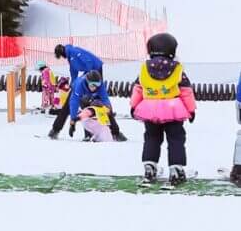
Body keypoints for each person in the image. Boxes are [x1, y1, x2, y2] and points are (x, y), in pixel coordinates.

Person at [130, 32, 196, 185]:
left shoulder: (144, 70)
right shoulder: (177, 69)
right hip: (172, 110)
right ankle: (176, 169)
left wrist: (134, 107)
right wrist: (191, 110)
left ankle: (150, 166)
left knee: (152, 138)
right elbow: (186, 91)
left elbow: (138, 89)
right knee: (176, 139)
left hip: (150, 109)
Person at [65, 70, 123, 141]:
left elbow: (105, 98)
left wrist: (109, 108)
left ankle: (116, 132)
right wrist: (72, 122)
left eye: (97, 85)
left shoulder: (100, 86)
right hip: (81, 95)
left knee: (104, 109)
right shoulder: (79, 85)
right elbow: (74, 103)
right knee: (86, 108)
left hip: (93, 96)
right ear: (87, 82)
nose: (95, 87)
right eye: (93, 85)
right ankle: (88, 134)